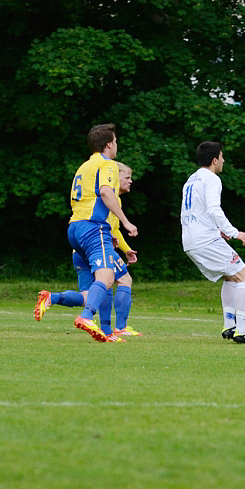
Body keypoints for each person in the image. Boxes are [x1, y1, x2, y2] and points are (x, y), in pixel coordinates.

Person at [35, 163, 141, 338]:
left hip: (79, 247)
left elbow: (110, 230)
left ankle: (52, 298)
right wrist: (126, 247)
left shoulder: (91, 193)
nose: (130, 181)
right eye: (127, 177)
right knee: (122, 279)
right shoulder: (110, 197)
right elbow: (112, 230)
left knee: (88, 295)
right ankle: (117, 328)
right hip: (95, 243)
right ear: (115, 176)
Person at [181, 141, 245, 344]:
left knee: (229, 277)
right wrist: (234, 233)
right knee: (244, 276)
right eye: (222, 157)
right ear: (215, 159)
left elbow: (195, 211)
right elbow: (214, 208)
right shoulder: (212, 178)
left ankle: (229, 326)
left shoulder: (191, 179)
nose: (223, 160)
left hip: (190, 239)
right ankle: (241, 331)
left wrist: (217, 230)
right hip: (204, 239)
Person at [67, 124, 138, 342]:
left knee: (106, 277)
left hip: (75, 227)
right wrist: (125, 222)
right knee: (108, 276)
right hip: (93, 226)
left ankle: (107, 332)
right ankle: (87, 317)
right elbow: (106, 192)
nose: (116, 145)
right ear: (108, 144)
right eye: (115, 141)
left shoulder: (84, 166)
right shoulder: (107, 165)